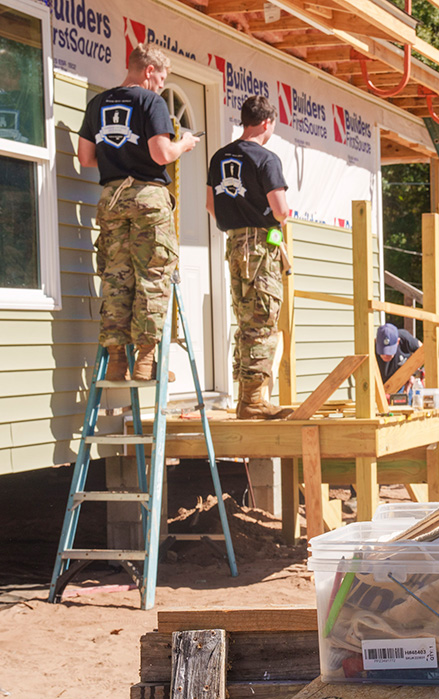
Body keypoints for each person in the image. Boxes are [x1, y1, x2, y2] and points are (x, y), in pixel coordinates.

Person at [77, 44, 200, 382]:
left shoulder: (98, 103)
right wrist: (184, 145)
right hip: (147, 197)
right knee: (152, 276)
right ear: (148, 71)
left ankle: (117, 361)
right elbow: (161, 154)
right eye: (161, 79)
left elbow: (86, 158)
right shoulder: (150, 101)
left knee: (116, 277)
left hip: (111, 199)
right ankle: (145, 362)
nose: (161, 86)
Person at [205, 96, 291, 419]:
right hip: (259, 246)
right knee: (263, 319)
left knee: (245, 319)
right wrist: (282, 216)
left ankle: (246, 397)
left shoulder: (219, 157)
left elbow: (212, 207)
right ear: (267, 123)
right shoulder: (266, 159)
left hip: (233, 243)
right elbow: (281, 211)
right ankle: (253, 401)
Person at [375, 323, 421, 394]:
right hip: (381, 388)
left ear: (398, 342)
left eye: (389, 351)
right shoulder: (370, 349)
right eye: (383, 351)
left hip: (403, 385)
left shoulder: (405, 338)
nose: (385, 355)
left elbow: (424, 351)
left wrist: (413, 373)